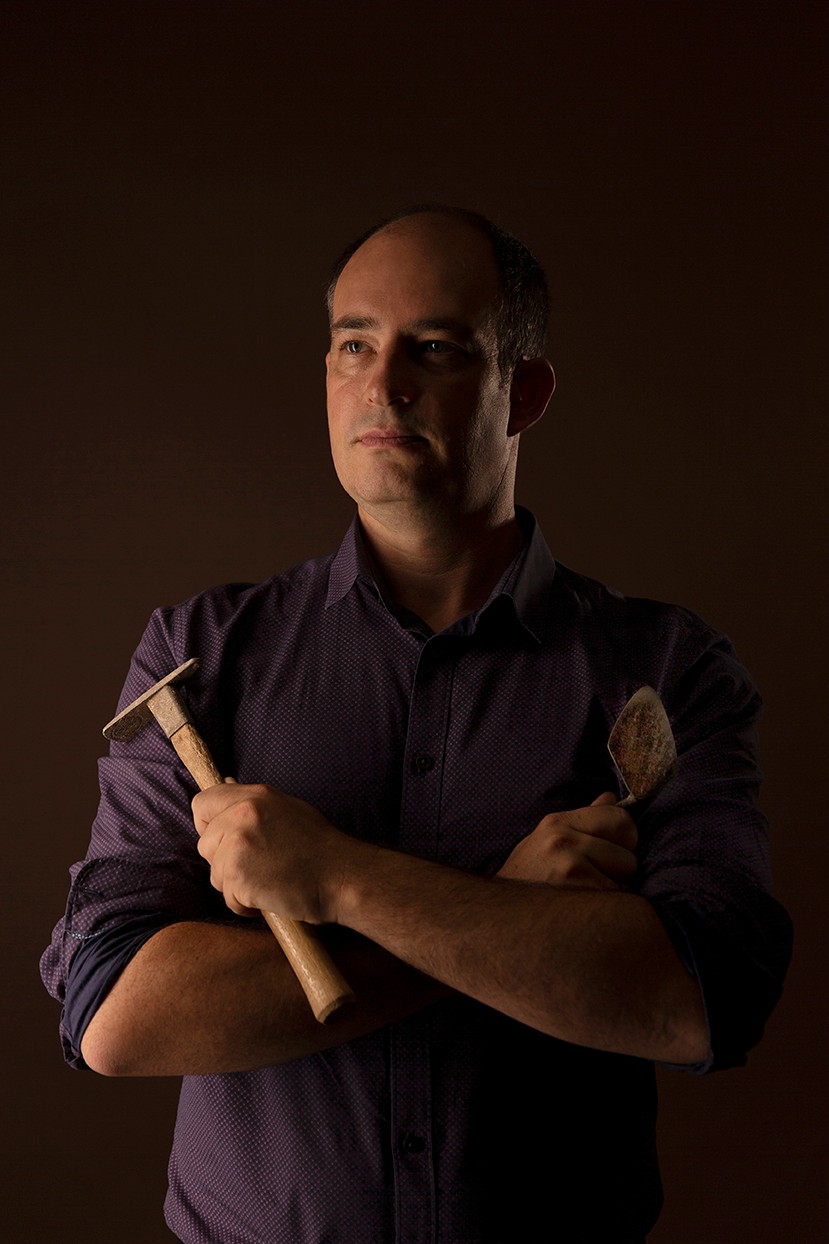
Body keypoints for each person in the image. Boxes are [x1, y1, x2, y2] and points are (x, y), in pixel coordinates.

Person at [41, 206, 792, 1244]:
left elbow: (698, 998)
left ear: (523, 390)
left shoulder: (664, 672)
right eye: (355, 344)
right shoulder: (200, 652)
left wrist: (338, 878)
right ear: (325, 375)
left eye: (434, 349)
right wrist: (505, 911)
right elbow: (117, 1012)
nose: (383, 385)